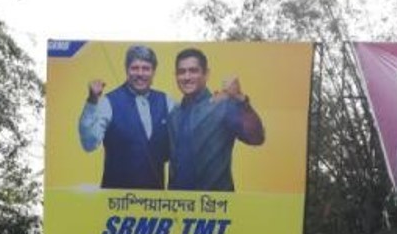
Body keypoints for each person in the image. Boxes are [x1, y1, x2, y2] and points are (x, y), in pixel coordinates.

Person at [167, 47, 265, 192]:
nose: (187, 77)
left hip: (216, 208)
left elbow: (256, 137)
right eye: (182, 72)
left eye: (193, 71)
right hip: (178, 208)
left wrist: (240, 98)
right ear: (176, 76)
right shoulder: (174, 114)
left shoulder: (223, 106)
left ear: (206, 74)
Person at [78, 44, 174, 189]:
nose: (140, 73)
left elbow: (183, 142)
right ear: (126, 70)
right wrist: (92, 102)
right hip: (114, 203)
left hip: (154, 204)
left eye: (146, 68)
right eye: (135, 68)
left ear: (153, 71)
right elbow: (89, 144)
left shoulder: (167, 101)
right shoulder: (108, 102)